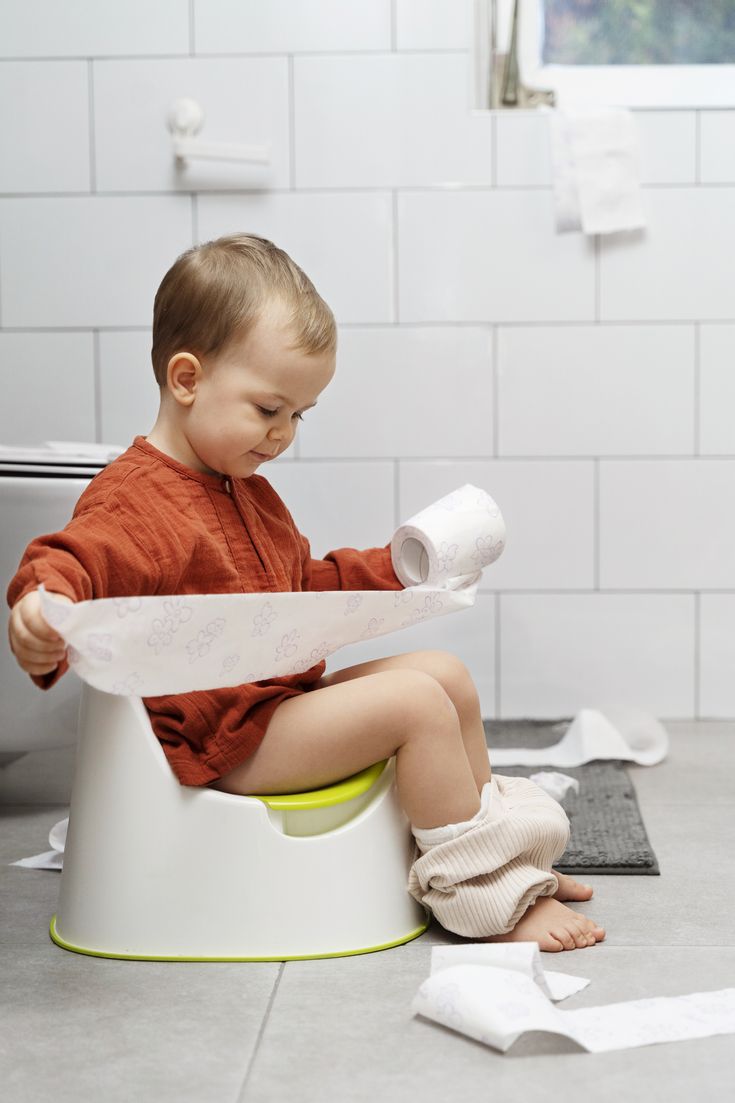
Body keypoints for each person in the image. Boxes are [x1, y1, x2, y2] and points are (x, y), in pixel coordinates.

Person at [7, 234, 605, 952]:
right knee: (414, 705)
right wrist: (39, 610)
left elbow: (300, 590)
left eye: (300, 413)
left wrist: (397, 569)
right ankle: (489, 901)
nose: (284, 433)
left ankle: (509, 863)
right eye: (268, 409)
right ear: (187, 379)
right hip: (220, 741)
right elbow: (69, 561)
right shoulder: (137, 501)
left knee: (445, 675)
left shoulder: (249, 494)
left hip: (271, 706)